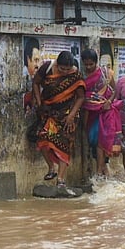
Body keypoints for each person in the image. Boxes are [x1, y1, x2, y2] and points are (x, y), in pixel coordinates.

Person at [31, 51, 86, 189]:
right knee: (42, 138)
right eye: (62, 69)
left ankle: (61, 179)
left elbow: (80, 97)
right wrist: (39, 103)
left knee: (65, 144)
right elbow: (36, 83)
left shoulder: (76, 75)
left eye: (68, 69)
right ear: (57, 64)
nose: (65, 72)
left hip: (68, 115)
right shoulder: (47, 68)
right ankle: (51, 168)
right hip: (48, 112)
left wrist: (71, 115)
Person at [81, 48, 118, 176]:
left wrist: (109, 101)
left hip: (105, 113)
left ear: (96, 62)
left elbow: (114, 91)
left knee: (100, 141)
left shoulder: (105, 73)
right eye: (86, 64)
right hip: (89, 113)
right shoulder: (81, 76)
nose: (88, 67)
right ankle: (103, 170)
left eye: (91, 64)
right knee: (92, 140)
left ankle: (98, 172)